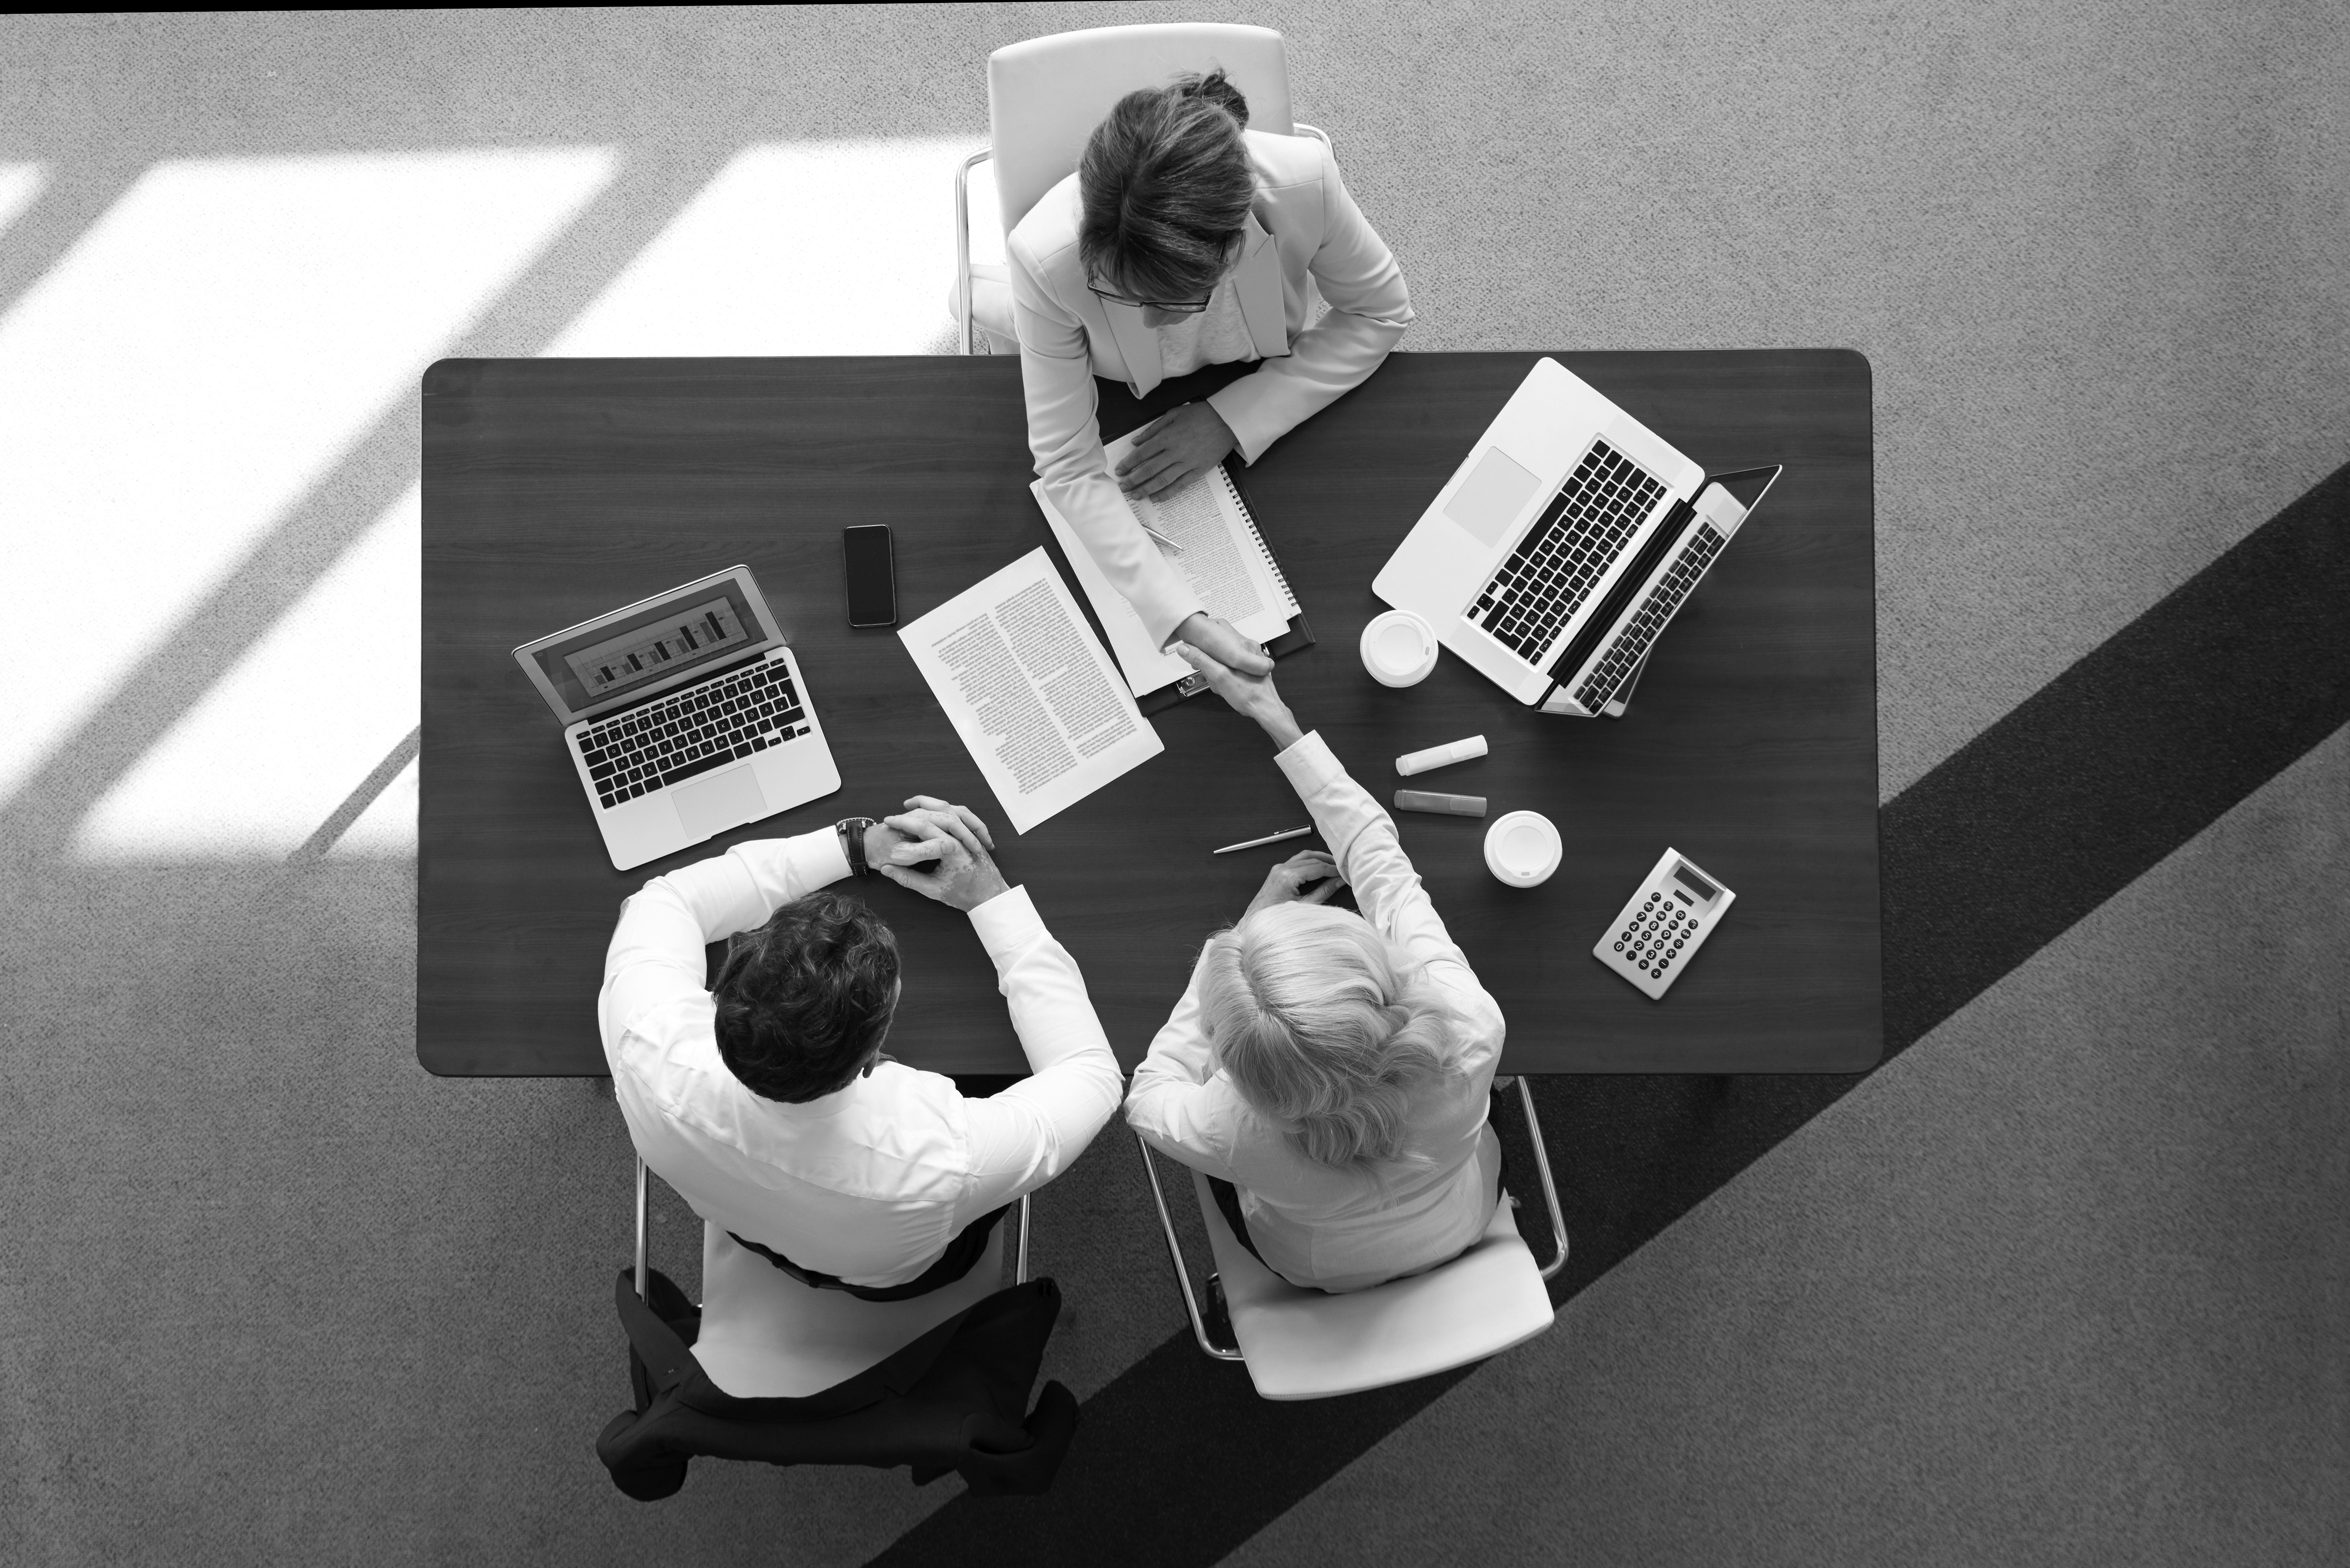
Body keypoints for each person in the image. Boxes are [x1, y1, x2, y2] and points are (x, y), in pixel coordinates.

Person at [601, 797, 1123, 1298]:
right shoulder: (943, 1155)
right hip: (895, 1274)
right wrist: (990, 896)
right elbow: (1093, 1075)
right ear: (875, 1055)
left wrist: (861, 845)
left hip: (741, 1214)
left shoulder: (643, 1038)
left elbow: (666, 900)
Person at [1007, 69, 1414, 679]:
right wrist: (1179, 616)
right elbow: (1066, 461)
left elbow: (1381, 312)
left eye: (1173, 302)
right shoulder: (1043, 256)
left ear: (1231, 250)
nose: (1147, 322)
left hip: (1258, 373)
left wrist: (1231, 418)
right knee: (996, 311)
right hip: (1115, 386)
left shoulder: (1304, 182)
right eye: (1119, 294)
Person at [1123, 645, 1506, 1293]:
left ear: (1237, 1062)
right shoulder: (1469, 1026)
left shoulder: (1230, 1124)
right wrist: (1280, 722)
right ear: (1380, 978)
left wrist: (1235, 942)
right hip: (1462, 1216)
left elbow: (1146, 1096)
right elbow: (1386, 874)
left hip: (1316, 1264)